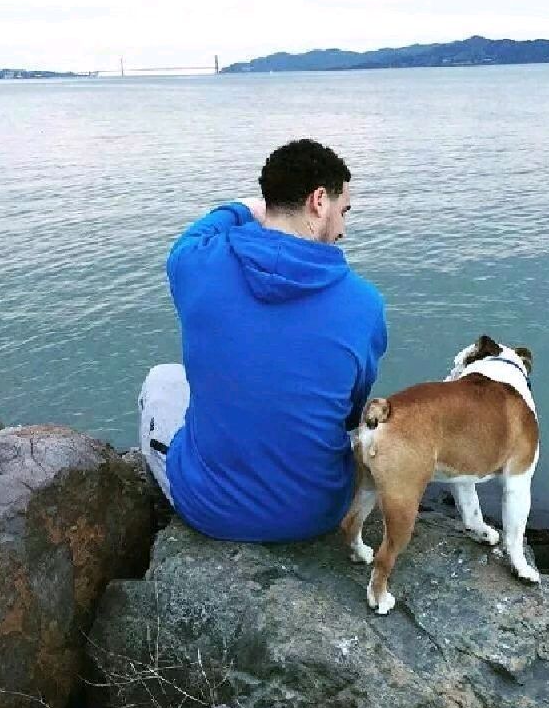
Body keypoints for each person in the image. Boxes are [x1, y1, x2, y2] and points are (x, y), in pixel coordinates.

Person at [139, 139, 388, 542]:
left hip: (211, 509)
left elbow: (192, 236)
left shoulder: (194, 264)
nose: (343, 229)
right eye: (344, 211)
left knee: (162, 380)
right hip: (318, 511)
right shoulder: (365, 304)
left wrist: (245, 208)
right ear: (318, 201)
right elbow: (350, 413)